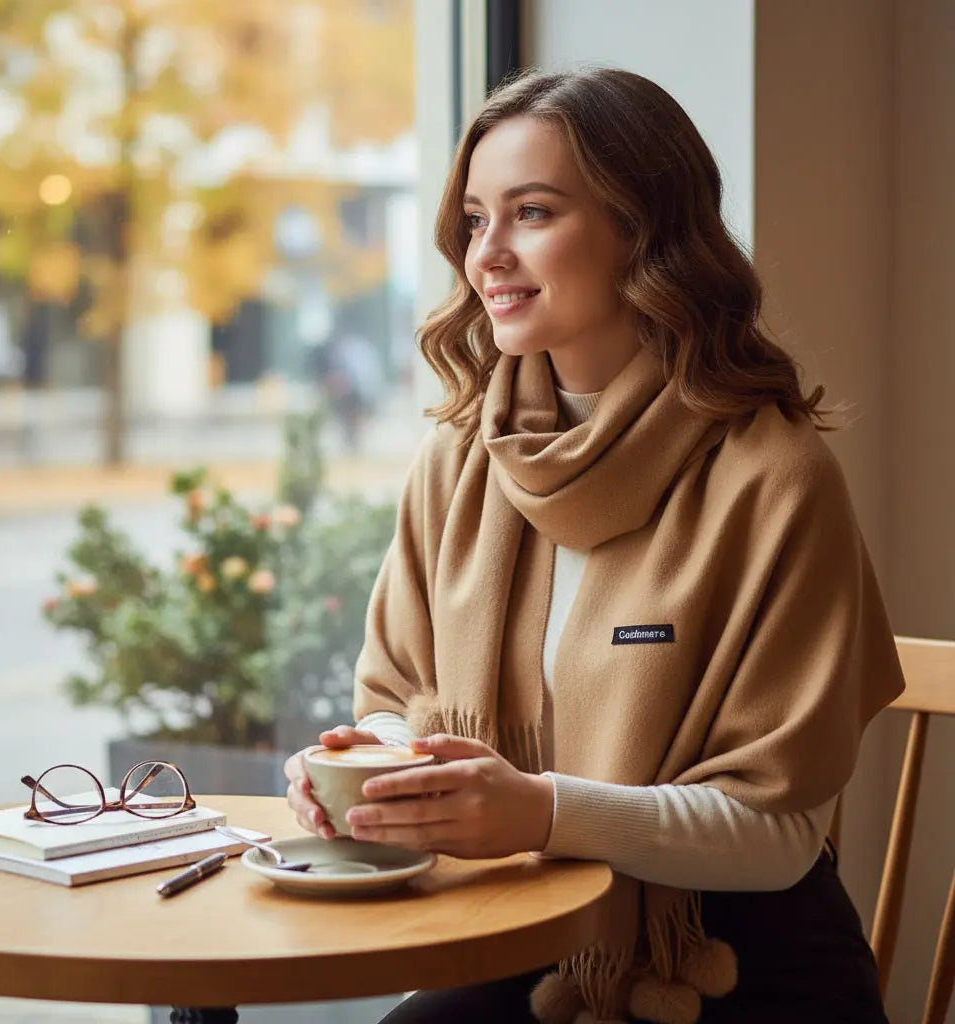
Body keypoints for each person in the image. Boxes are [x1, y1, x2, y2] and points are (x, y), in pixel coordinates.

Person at [283, 68, 904, 1024]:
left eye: (531, 213)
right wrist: (374, 770)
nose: (489, 254)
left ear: (642, 229)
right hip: (526, 935)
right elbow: (401, 706)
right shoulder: (459, 455)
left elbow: (777, 829)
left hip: (734, 963)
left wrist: (538, 810)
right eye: (476, 220)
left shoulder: (772, 474)